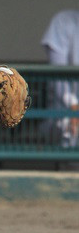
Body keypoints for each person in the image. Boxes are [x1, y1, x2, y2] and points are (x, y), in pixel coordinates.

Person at [41, 10, 79, 147]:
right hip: (62, 114)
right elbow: (58, 75)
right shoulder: (64, 21)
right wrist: (74, 107)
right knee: (71, 127)